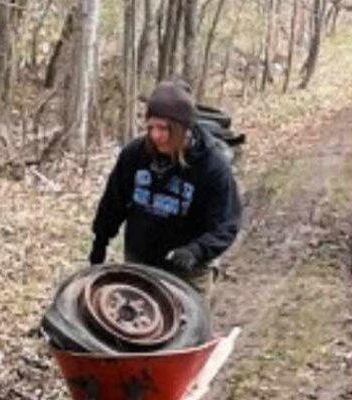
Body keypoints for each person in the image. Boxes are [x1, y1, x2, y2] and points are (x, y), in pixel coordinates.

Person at [88, 79, 241, 299]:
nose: (155, 136)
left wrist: (195, 251)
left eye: (164, 129)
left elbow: (226, 225)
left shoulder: (212, 165)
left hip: (189, 271)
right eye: (151, 127)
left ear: (183, 129)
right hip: (140, 261)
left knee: (187, 329)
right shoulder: (135, 155)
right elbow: (114, 202)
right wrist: (100, 242)